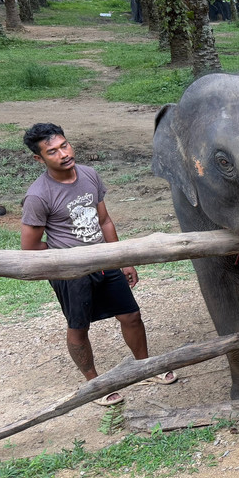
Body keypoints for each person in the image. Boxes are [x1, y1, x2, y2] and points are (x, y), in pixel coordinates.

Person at [20, 123, 177, 406]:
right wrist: (66, 255)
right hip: (71, 272)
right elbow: (30, 247)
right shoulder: (38, 195)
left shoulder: (89, 175)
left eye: (64, 145)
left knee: (131, 315)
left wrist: (123, 259)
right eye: (52, 152)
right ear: (39, 159)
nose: (63, 154)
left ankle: (145, 367)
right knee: (79, 327)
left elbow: (104, 220)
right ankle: (94, 384)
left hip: (105, 260)